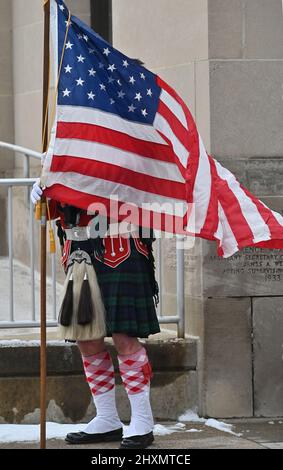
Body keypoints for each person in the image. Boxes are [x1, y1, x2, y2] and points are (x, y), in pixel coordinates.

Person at [31, 179, 160, 449]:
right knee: (86, 337)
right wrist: (47, 188)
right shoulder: (60, 140)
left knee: (125, 336)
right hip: (78, 246)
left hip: (120, 242)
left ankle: (143, 421)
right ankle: (107, 418)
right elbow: (58, 206)